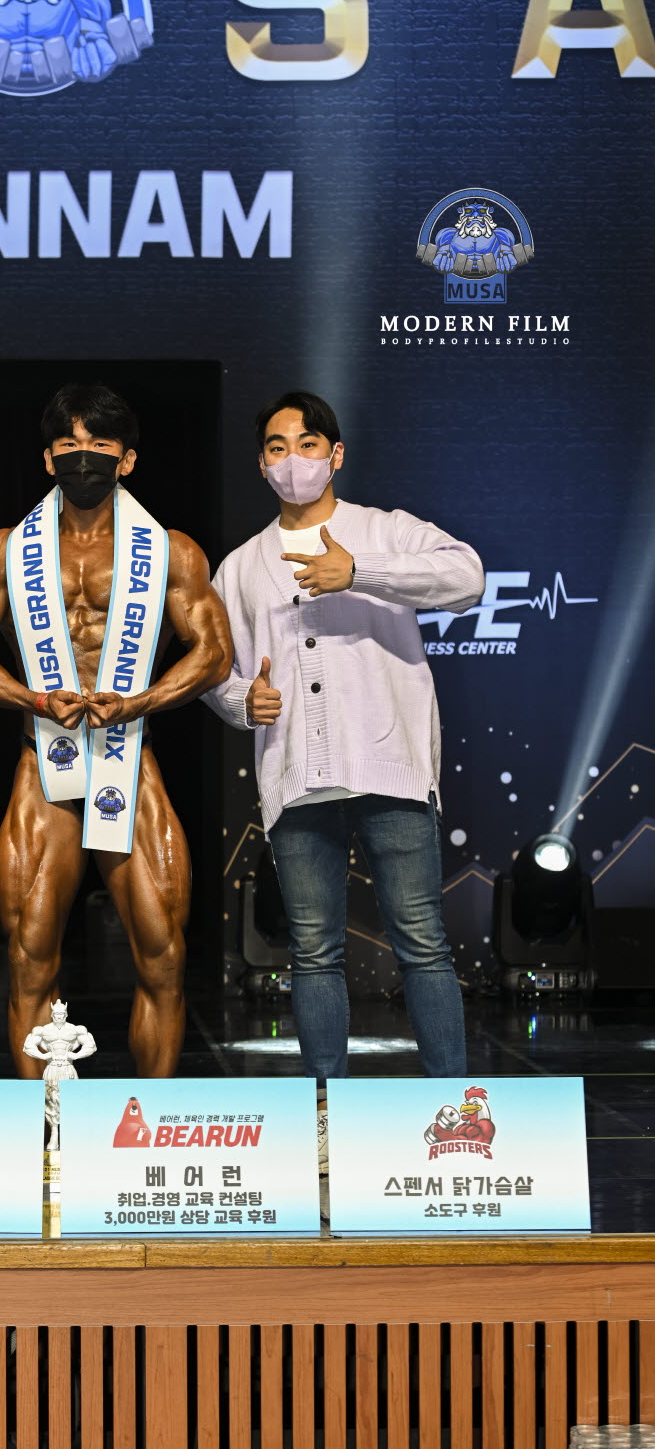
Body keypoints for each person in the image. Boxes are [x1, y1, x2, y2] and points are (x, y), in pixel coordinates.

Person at [0, 382, 231, 1077]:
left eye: (99, 444)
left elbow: (215, 652)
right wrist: (30, 698)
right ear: (47, 459)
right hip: (43, 759)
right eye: (68, 445)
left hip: (129, 756)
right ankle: (46, 1124)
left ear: (126, 459)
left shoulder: (172, 553)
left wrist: (143, 700)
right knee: (28, 953)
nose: (83, 457)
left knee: (163, 954)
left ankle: (145, 1115)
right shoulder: (2, 552)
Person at [203, 388, 484, 1082]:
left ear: (335, 454)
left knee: (421, 942)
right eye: (276, 447)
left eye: (306, 445)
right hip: (297, 777)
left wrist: (359, 571)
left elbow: (467, 578)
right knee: (312, 952)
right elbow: (214, 669)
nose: (292, 460)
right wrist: (242, 700)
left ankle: (450, 1101)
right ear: (260, 463)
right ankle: (324, 1105)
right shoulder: (240, 565)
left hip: (388, 766)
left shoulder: (384, 530)